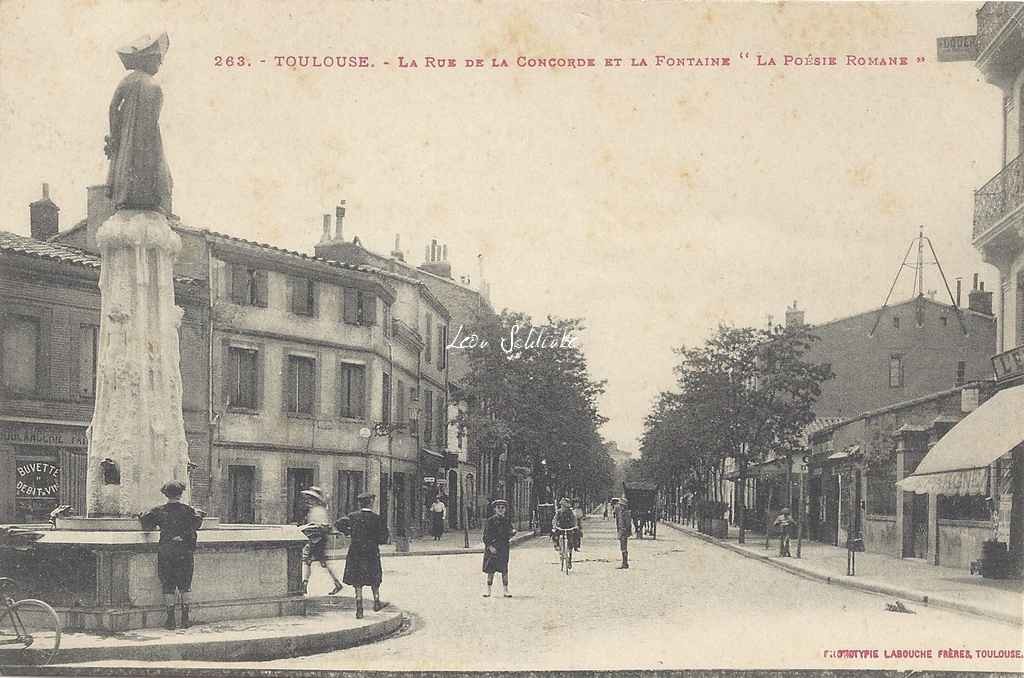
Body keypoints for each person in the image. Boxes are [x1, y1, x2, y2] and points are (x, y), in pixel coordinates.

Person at [105, 33, 173, 214]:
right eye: (158, 60)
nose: (160, 65)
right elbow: (152, 121)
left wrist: (115, 135)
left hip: (126, 140)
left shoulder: (126, 81)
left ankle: (128, 197)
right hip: (147, 141)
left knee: (126, 169)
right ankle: (146, 198)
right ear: (148, 60)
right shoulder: (154, 86)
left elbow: (112, 107)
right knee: (148, 170)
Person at [139, 480, 204, 630]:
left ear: (166, 494)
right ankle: (185, 619)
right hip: (184, 551)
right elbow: (197, 523)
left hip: (167, 551)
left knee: (168, 585)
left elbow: (146, 523)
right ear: (181, 494)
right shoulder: (189, 510)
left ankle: (170, 620)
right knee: (185, 585)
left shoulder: (158, 510)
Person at [335, 491, 388, 618]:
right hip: (371, 550)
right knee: (374, 576)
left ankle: (359, 606)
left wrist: (349, 532)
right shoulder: (377, 518)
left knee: (357, 578)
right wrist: (376, 540)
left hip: (356, 550)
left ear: (360, 504)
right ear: (371, 503)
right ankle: (376, 601)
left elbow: (338, 524)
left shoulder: (353, 516)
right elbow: (384, 537)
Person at [298, 486, 344, 596]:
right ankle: (305, 585)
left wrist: (308, 527)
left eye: (311, 498)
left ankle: (305, 585)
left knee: (313, 562)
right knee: (314, 562)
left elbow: (323, 526)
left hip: (317, 539)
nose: (308, 500)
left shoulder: (319, 510)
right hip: (314, 539)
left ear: (315, 499)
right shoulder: (314, 510)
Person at [482, 498, 517, 597]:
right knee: (490, 570)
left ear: (505, 509)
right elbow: (485, 536)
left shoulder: (506, 520)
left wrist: (513, 532)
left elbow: (510, 531)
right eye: (498, 508)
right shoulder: (490, 521)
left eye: (503, 508)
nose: (501, 509)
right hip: (492, 547)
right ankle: (488, 590)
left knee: (504, 569)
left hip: (503, 547)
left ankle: (506, 590)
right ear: (495, 509)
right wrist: (489, 546)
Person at [615, 497, 632, 570]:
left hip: (624, 532)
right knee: (622, 547)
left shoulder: (626, 513)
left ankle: (625, 563)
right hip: (621, 531)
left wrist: (626, 531)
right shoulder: (621, 513)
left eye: (621, 505)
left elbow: (628, 524)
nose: (620, 506)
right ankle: (624, 562)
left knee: (624, 547)